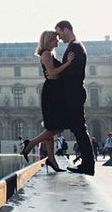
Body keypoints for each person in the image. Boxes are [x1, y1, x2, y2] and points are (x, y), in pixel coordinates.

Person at [20, 30, 75, 172]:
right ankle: (30, 144)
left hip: (54, 91)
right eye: (55, 39)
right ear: (48, 41)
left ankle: (51, 160)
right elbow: (52, 73)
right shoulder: (46, 54)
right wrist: (68, 63)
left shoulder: (48, 54)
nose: (57, 41)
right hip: (52, 94)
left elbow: (52, 74)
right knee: (58, 128)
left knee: (51, 128)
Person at [55, 20, 95, 175]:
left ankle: (88, 165)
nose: (58, 38)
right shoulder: (76, 46)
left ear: (66, 30)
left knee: (79, 129)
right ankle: (87, 163)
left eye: (59, 33)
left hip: (74, 92)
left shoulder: (75, 47)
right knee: (78, 128)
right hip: (75, 91)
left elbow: (72, 73)